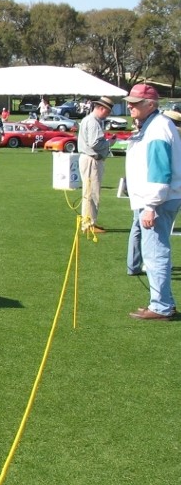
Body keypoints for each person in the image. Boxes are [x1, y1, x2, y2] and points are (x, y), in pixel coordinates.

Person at [122, 84, 181, 320]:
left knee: (155, 253)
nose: (130, 106)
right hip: (156, 199)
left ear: (151, 105)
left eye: (135, 102)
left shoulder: (157, 129)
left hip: (157, 201)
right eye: (130, 101)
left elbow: (159, 174)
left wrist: (150, 206)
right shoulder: (155, 126)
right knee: (154, 252)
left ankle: (161, 306)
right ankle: (162, 302)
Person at [77, 96, 113, 234]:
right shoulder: (93, 122)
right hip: (92, 159)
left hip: (89, 158)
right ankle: (88, 223)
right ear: (101, 108)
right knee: (91, 192)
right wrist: (109, 143)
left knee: (90, 192)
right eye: (107, 112)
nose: (108, 115)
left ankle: (89, 221)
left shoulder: (89, 120)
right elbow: (95, 143)